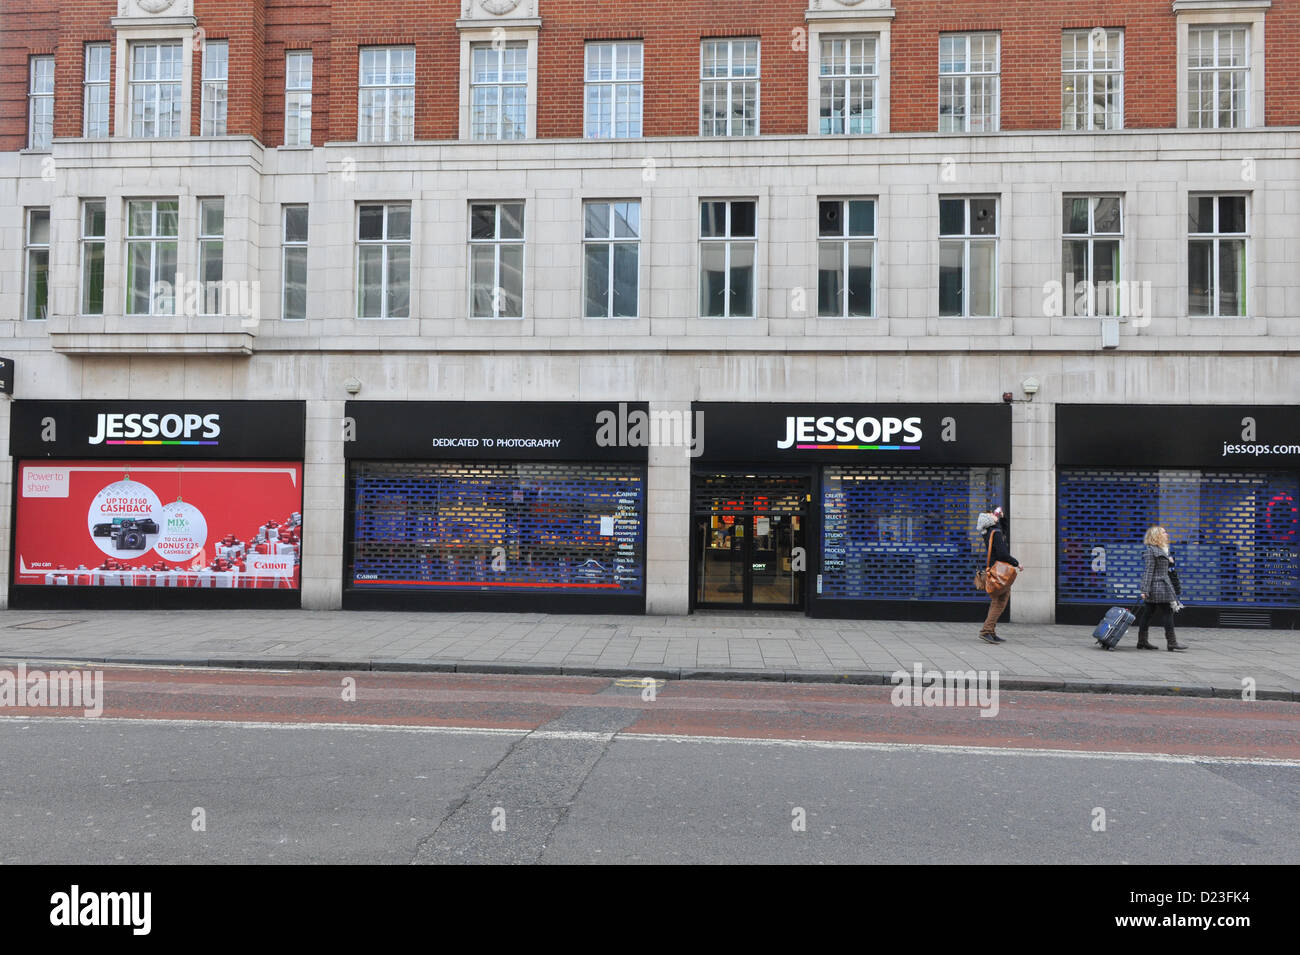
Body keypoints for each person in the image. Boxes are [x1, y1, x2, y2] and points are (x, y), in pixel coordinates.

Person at [1136, 526, 1188, 651]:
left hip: (1163, 585)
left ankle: (1142, 641)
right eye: (1164, 532)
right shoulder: (1151, 551)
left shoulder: (1164, 550)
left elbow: (1167, 569)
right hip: (1157, 587)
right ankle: (1172, 642)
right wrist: (1144, 590)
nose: (1167, 534)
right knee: (1167, 612)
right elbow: (1148, 571)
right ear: (1157, 535)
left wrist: (1170, 562)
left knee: (1148, 613)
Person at [977, 506, 1019, 644]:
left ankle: (991, 631)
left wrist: (1003, 518)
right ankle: (986, 630)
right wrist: (1016, 563)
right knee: (1000, 602)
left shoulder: (988, 532)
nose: (996, 515)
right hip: (1000, 573)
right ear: (990, 519)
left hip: (994, 571)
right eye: (993, 514)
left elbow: (1003, 531)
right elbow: (1002, 553)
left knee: (997, 601)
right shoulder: (996, 532)